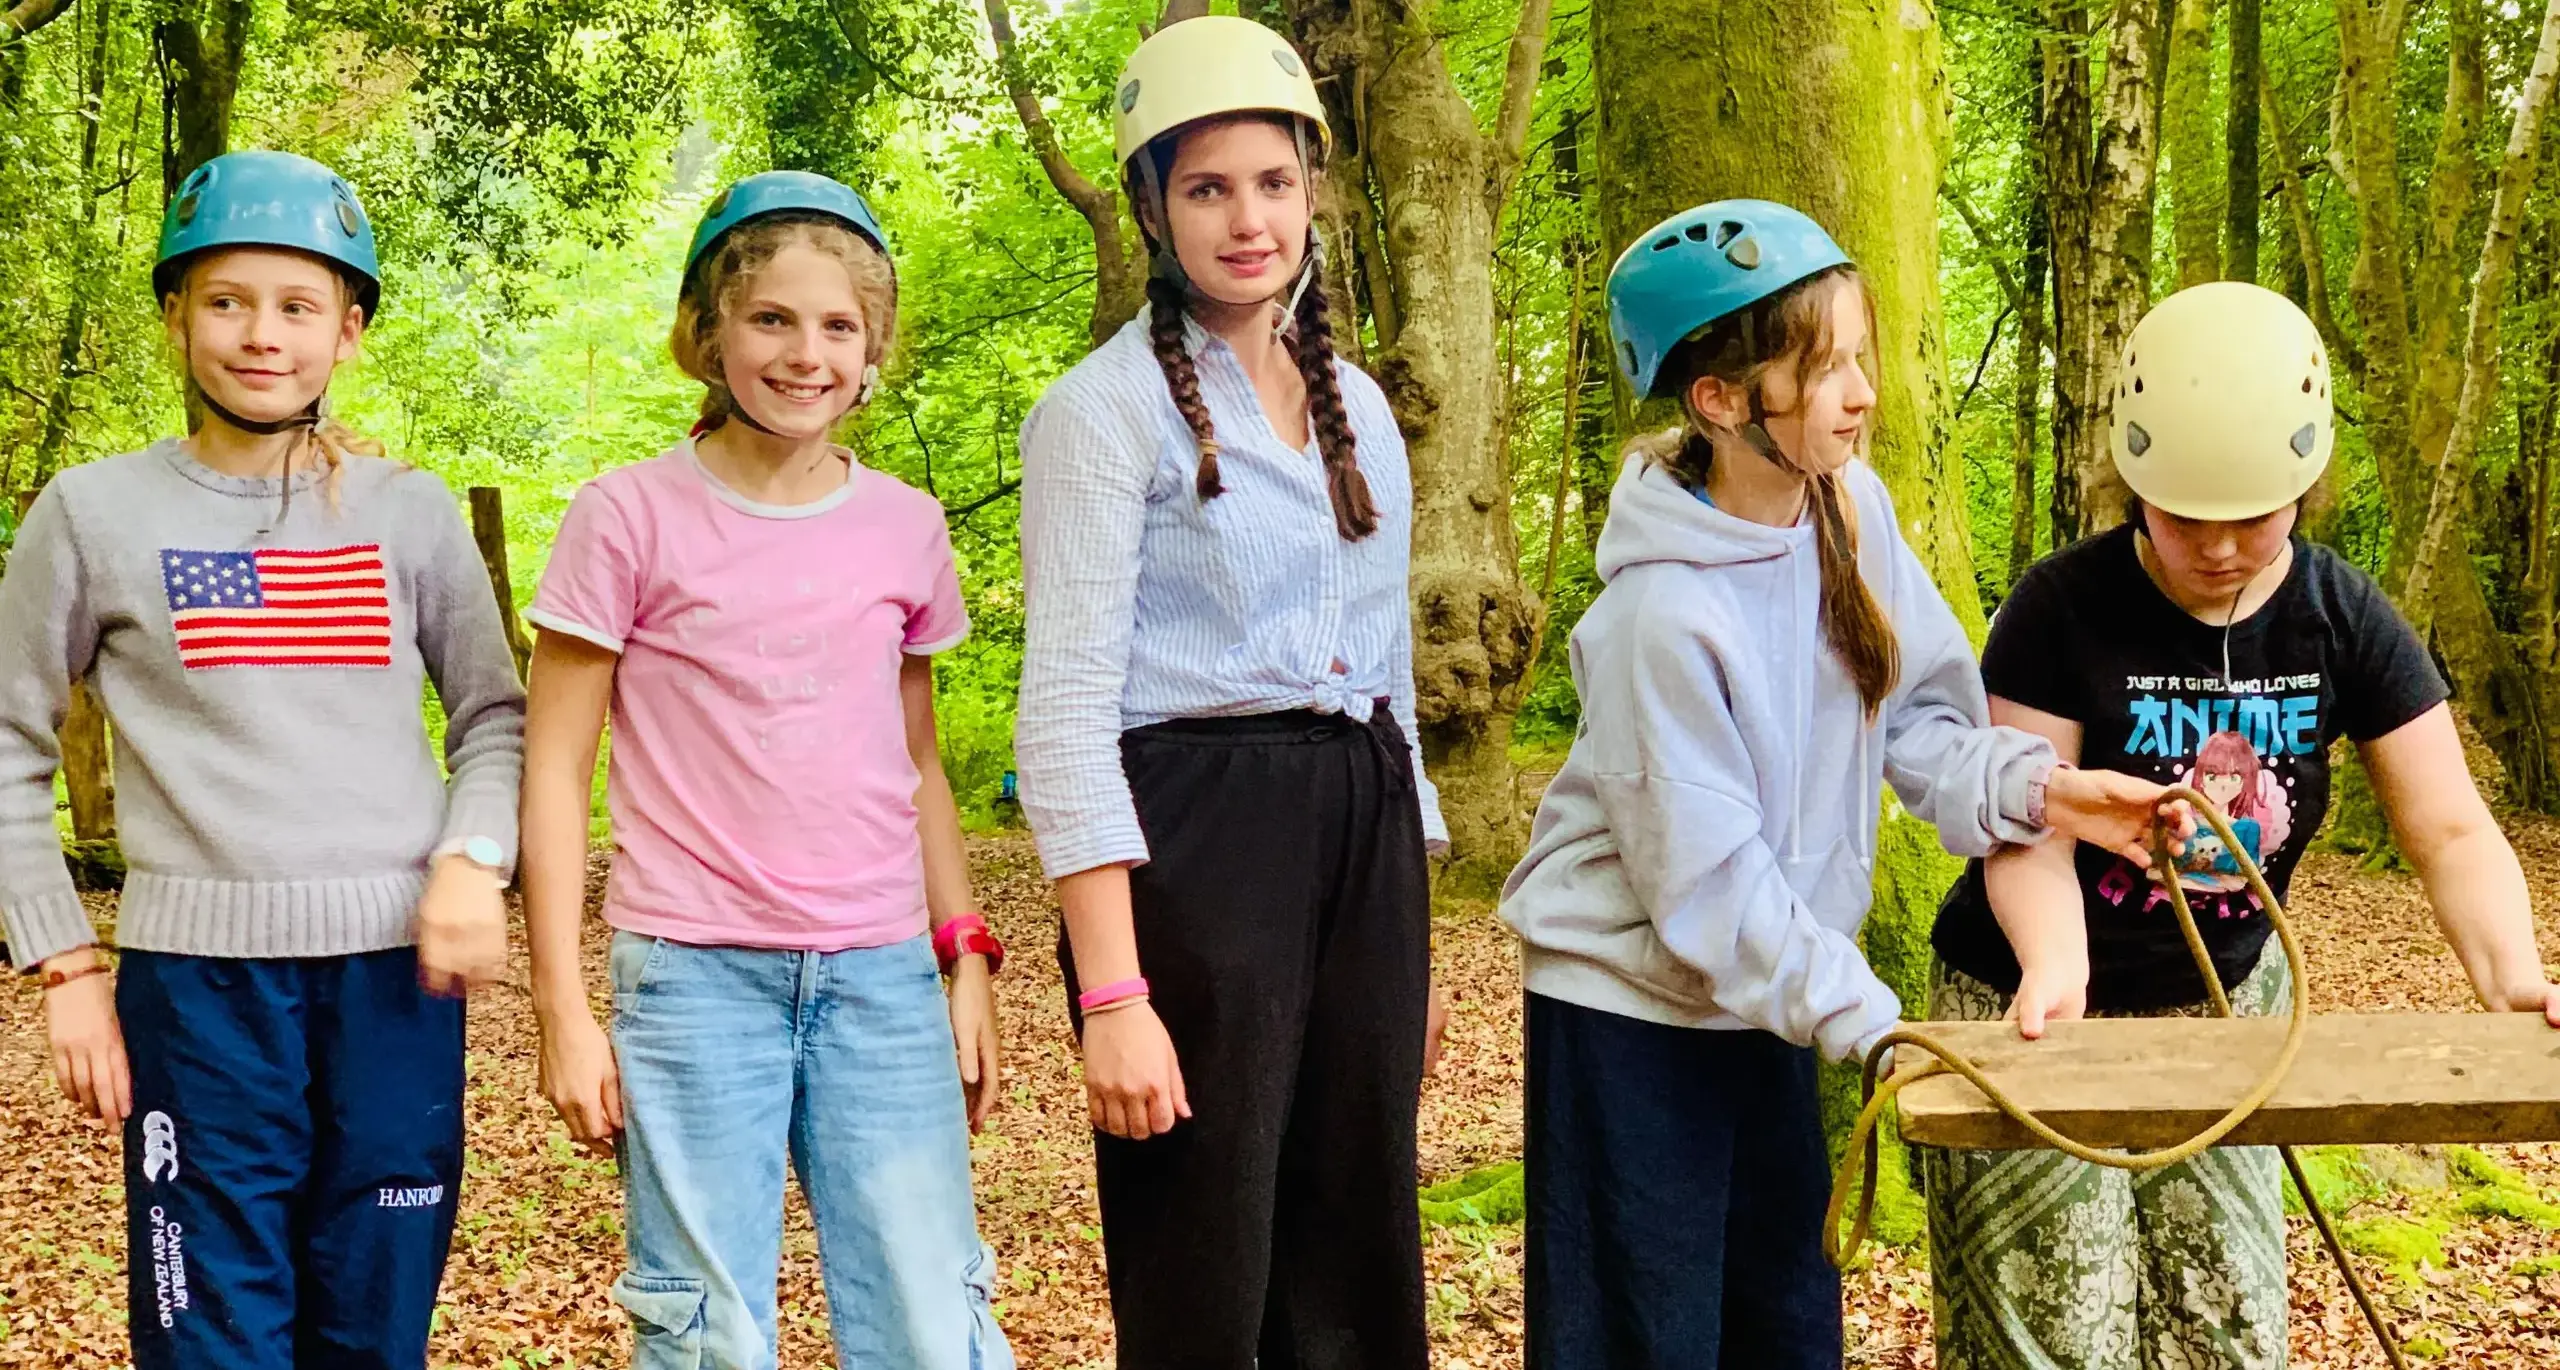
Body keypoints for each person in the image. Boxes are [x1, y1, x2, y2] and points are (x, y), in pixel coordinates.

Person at [1499, 199, 2188, 1369]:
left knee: (1781, 1322)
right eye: (1823, 368)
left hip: (1767, 995)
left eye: (1860, 356)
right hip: (1632, 1017)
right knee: (1644, 1339)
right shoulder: (1656, 620)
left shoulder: (1845, 510)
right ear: (1719, 400)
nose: (1860, 391)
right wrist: (1876, 1024)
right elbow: (1709, 886)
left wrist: (2051, 793)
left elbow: (1914, 718)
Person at [1925, 280, 2560, 1370]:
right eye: (2184, 520)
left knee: (2222, 1328)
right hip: (2030, 1001)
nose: (2218, 549)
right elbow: (2027, 819)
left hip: (2226, 1004)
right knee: (2054, 1338)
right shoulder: (2057, 606)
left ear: (2304, 485)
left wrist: (2514, 979)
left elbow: (2449, 828)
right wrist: (2054, 966)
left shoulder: (2343, 615)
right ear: (2132, 485)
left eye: (2251, 519)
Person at [0, 148, 525, 1369]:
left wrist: (470, 855)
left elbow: (494, 714)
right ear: (177, 312)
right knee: (211, 1325)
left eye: (297, 307)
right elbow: (10, 739)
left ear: (348, 329)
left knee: (374, 1313)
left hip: (396, 981)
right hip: (198, 992)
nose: (260, 335)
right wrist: (63, 960)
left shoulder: (409, 509)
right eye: (227, 299)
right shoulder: (90, 512)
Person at [518, 171, 1011, 1370]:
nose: (806, 353)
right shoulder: (625, 515)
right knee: (705, 1329)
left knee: (931, 1320)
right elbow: (551, 763)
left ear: (873, 344)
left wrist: (965, 958)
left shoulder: (905, 525)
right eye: (771, 319)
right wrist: (563, 1009)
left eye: (838, 324)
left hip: (882, 974)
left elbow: (919, 764)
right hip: (690, 980)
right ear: (710, 332)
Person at [1011, 15, 1448, 1367]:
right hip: (1201, 839)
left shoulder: (1360, 409)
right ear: (1152, 207)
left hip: (1360, 825)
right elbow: (1067, 710)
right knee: (1205, 1244)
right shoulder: (1101, 412)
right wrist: (1112, 990)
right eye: (1206, 188)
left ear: (1313, 185)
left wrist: (1413, 912)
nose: (1247, 219)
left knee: (1354, 1234)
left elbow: (1390, 678)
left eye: (1271, 181)